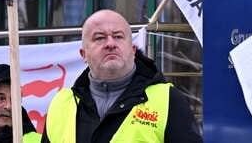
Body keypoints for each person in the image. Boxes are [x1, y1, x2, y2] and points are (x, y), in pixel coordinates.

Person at [41, 9, 202, 143]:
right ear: (83, 54)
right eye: (99, 38)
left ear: (133, 49)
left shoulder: (167, 100)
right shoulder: (61, 103)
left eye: (118, 36)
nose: (110, 43)